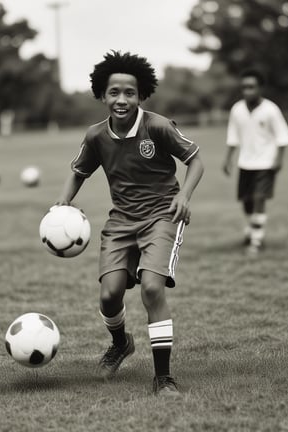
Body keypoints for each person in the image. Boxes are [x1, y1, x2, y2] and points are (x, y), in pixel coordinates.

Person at [55, 51, 204, 396]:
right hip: (121, 221)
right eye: (114, 93)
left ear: (141, 95)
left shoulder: (158, 126)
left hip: (162, 216)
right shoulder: (95, 136)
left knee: (152, 289)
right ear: (102, 95)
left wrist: (185, 197)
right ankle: (121, 343)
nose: (122, 100)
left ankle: (163, 378)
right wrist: (63, 203)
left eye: (130, 93)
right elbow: (79, 171)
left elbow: (195, 161)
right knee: (109, 295)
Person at [223, 68, 288, 255]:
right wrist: (228, 159)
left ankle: (256, 240)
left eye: (251, 87)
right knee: (246, 201)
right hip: (245, 162)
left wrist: (278, 160)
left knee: (259, 198)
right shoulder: (237, 109)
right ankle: (250, 230)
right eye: (244, 87)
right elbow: (233, 136)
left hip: (266, 162)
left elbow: (283, 136)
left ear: (260, 88)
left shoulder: (271, 110)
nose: (247, 91)